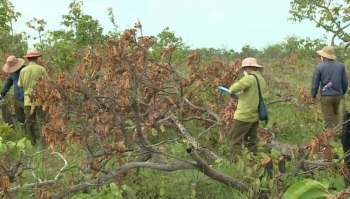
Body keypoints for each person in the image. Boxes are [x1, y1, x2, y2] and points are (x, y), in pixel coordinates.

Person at [227, 57, 267, 162]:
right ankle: (255, 163)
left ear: (248, 67)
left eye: (245, 69)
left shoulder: (249, 78)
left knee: (235, 140)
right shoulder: (261, 79)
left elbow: (232, 89)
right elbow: (253, 94)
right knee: (251, 141)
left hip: (243, 116)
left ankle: (237, 163)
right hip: (255, 116)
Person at [311, 46, 348, 129]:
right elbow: (345, 82)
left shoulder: (319, 67)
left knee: (328, 117)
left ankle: (330, 135)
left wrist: (313, 95)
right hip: (338, 95)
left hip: (326, 96)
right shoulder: (340, 66)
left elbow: (315, 84)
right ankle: (337, 133)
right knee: (335, 114)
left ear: (323, 56)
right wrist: (342, 92)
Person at [18, 49, 49, 145]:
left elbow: (20, 85)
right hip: (41, 100)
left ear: (27, 59)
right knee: (44, 121)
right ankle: (46, 142)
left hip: (28, 101)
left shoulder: (23, 70)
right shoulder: (41, 69)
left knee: (30, 122)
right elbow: (48, 83)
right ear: (36, 58)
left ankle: (33, 143)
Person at [0, 55, 26, 125]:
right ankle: (25, 131)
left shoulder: (25, 69)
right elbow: (8, 84)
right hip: (17, 97)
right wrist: (2, 93)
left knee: (30, 117)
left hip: (27, 96)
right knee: (20, 117)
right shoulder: (11, 73)